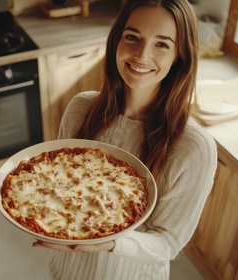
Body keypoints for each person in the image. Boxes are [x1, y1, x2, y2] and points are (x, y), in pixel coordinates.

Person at [32, 0, 217, 279]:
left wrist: (109, 242)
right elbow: (57, 188)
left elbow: (168, 243)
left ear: (180, 55)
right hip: (66, 268)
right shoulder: (80, 108)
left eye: (162, 44)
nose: (141, 55)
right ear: (115, 41)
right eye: (132, 37)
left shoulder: (194, 148)